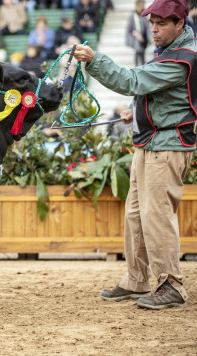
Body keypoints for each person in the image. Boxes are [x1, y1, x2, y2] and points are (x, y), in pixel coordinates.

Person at [73, 0, 195, 310]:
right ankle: (137, 279)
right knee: (135, 215)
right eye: (152, 22)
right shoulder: (170, 52)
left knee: (156, 217)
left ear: (180, 24)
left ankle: (172, 284)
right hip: (150, 143)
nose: (154, 28)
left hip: (166, 148)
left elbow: (133, 81)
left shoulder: (181, 58)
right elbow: (160, 96)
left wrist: (95, 60)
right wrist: (137, 112)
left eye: (162, 23)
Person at [126, 0, 152, 67]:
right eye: (141, 5)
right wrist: (136, 33)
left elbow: (148, 25)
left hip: (144, 36)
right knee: (138, 51)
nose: (142, 7)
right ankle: (137, 67)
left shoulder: (144, 14)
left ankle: (142, 66)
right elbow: (130, 27)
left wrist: (148, 18)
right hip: (137, 36)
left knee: (143, 52)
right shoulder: (133, 15)